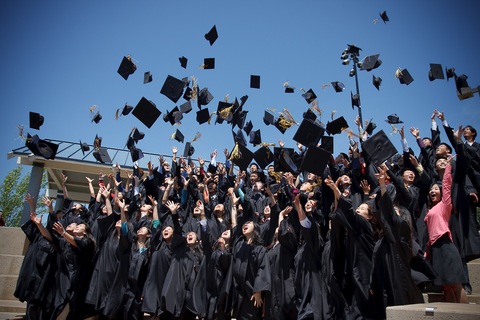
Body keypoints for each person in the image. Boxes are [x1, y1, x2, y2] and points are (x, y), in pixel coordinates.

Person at [424, 151, 467, 303]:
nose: (432, 191)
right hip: (435, 249)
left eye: (436, 189)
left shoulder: (445, 205)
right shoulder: (430, 210)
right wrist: (427, 251)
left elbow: (447, 186)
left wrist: (448, 167)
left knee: (455, 284)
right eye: (431, 190)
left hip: (446, 245)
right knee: (446, 287)